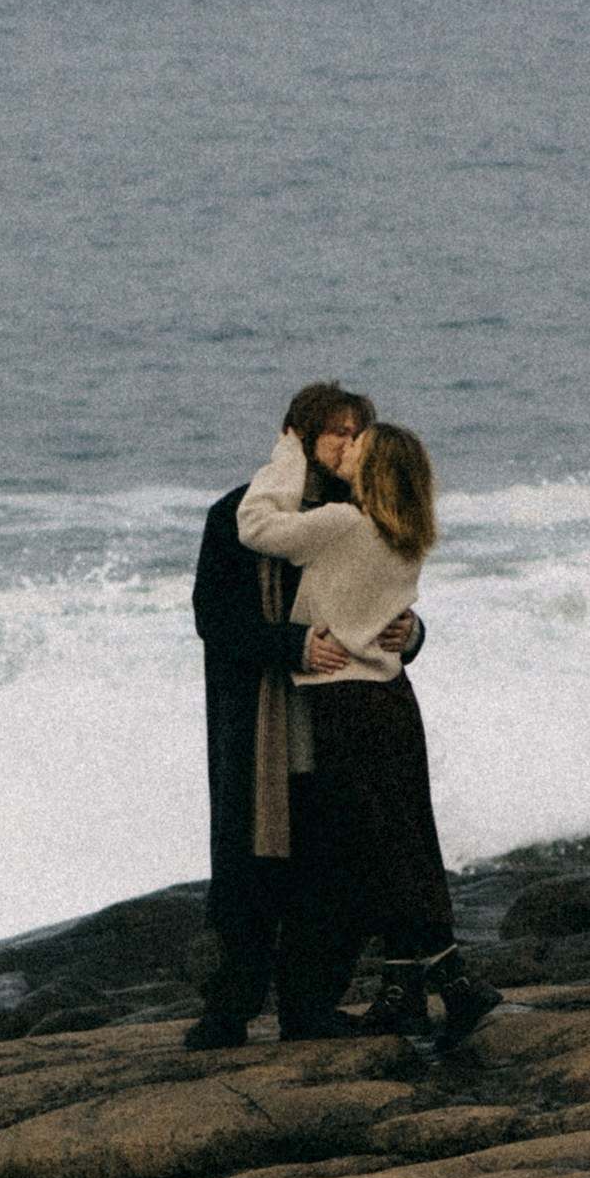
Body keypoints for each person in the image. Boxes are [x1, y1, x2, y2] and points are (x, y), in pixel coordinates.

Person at [235, 410, 499, 1047]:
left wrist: (286, 460)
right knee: (404, 839)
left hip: (345, 702)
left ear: (375, 466)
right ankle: (404, 989)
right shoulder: (407, 532)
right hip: (392, 698)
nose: (349, 448)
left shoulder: (343, 524)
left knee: (383, 849)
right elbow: (390, 614)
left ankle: (455, 979)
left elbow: (255, 525)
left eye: (360, 444)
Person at [187, 380, 412, 1045]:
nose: (347, 444)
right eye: (335, 431)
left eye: (356, 432)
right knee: (249, 873)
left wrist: (410, 631)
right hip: (260, 724)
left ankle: (309, 1006)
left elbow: (389, 597)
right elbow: (213, 620)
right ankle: (229, 1009)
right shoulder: (237, 516)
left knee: (335, 870)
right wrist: (293, 645)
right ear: (302, 438)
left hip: (342, 718)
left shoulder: (364, 514)